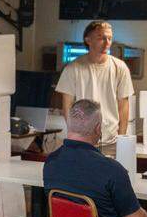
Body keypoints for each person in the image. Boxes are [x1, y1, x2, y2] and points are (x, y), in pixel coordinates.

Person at [55, 21, 134, 152]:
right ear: (88, 40)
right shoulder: (73, 69)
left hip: (111, 141)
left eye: (109, 38)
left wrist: (122, 138)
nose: (106, 42)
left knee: (109, 171)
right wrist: (74, 135)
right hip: (82, 142)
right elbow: (67, 106)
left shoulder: (120, 68)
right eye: (101, 37)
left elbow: (123, 105)